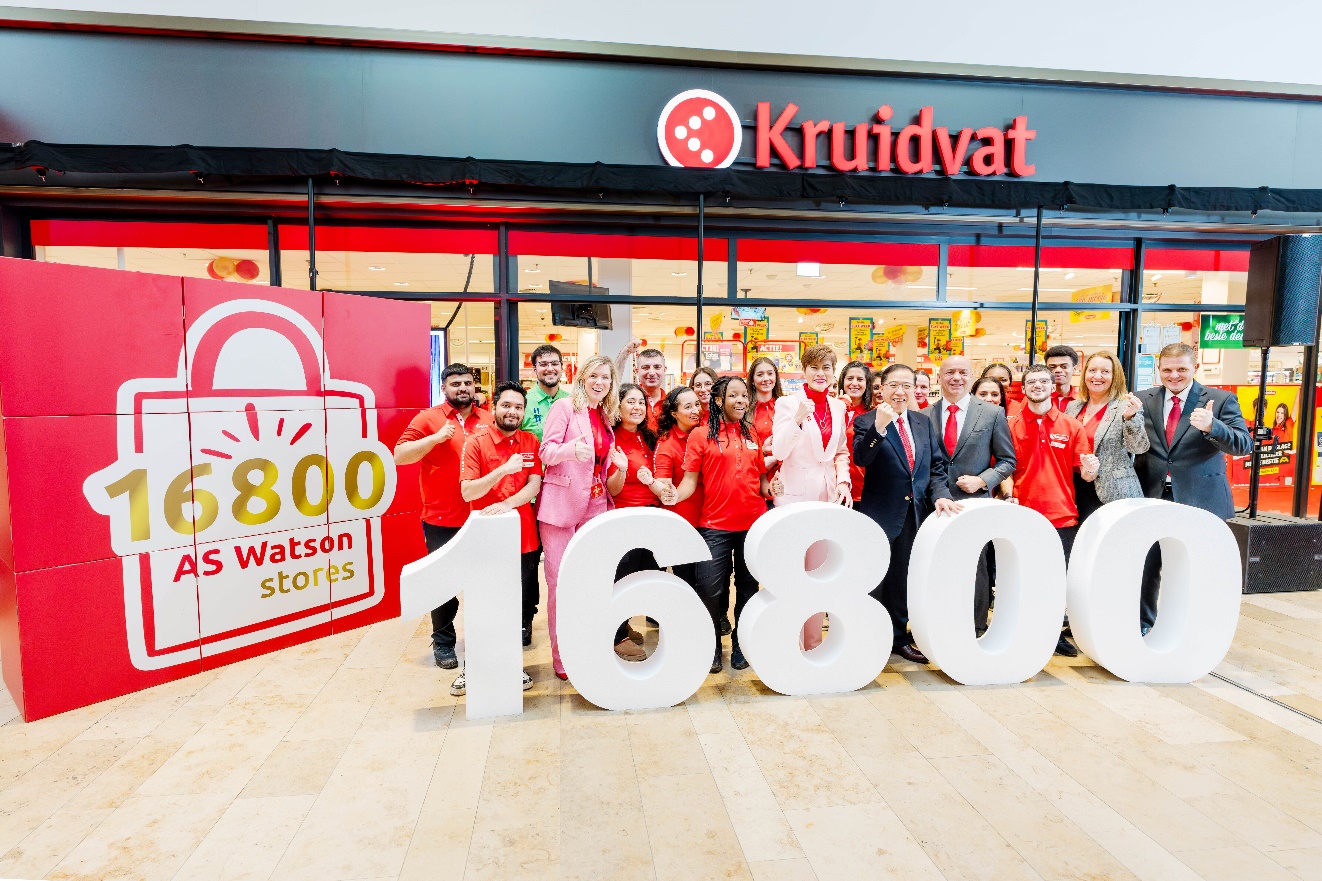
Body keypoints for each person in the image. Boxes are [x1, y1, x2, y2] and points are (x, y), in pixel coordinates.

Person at [1133, 343, 1251, 635]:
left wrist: (1213, 427)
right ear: (1159, 369)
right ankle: (1143, 625)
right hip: (1153, 496)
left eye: (1181, 369)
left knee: (1198, 567)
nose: (1174, 376)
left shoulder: (1221, 400)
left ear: (1195, 368)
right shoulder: (1142, 399)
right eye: (1167, 370)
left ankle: (1198, 629)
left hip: (1201, 499)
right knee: (1147, 565)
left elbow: (1243, 445)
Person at [853, 363, 963, 664]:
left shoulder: (922, 422)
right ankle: (870, 637)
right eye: (893, 385)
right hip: (881, 512)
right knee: (875, 580)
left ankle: (899, 638)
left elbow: (935, 466)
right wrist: (879, 427)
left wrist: (940, 494)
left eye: (906, 386)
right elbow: (862, 458)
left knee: (902, 577)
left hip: (915, 512)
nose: (900, 392)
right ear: (881, 388)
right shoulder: (867, 421)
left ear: (914, 389)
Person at [665, 375, 771, 674]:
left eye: (744, 395)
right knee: (709, 588)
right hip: (715, 525)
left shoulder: (751, 431)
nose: (741, 401)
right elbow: (689, 481)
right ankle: (711, 646)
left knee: (748, 587)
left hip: (753, 524)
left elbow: (761, 477)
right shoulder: (701, 435)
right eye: (734, 395)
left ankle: (741, 645)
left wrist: (770, 488)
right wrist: (674, 496)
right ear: (718, 400)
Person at [394, 363, 494, 670]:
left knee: (484, 582)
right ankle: (443, 642)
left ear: (474, 386)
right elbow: (400, 455)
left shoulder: (488, 418)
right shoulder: (429, 418)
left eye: (467, 383)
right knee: (443, 584)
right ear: (444, 388)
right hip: (442, 516)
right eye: (455, 384)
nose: (462, 388)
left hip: (482, 516)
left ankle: (485, 639)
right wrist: (435, 439)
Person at [455, 381, 542, 695]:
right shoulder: (476, 443)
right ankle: (473, 668)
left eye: (518, 407)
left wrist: (508, 504)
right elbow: (468, 491)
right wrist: (502, 470)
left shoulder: (530, 441)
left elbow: (534, 484)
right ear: (494, 408)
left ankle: (509, 665)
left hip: (523, 537)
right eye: (506, 405)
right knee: (482, 605)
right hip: (486, 539)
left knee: (514, 606)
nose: (512, 412)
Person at [1008, 363, 1100, 657]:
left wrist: (1091, 469)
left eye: (1043, 381)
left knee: (1056, 581)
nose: (1037, 386)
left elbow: (1085, 474)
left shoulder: (1072, 426)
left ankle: (1052, 633)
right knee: (1021, 577)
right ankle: (1021, 630)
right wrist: (1007, 494)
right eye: (1031, 382)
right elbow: (1004, 468)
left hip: (1061, 514)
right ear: (1024, 388)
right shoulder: (1009, 425)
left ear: (1053, 387)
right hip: (1021, 514)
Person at [537, 354, 620, 680]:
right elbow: (546, 452)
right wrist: (570, 450)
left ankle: (589, 647)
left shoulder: (604, 415)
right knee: (561, 585)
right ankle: (563, 657)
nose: (599, 382)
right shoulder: (565, 407)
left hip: (596, 505)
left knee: (592, 582)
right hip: (561, 508)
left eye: (606, 377)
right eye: (594, 375)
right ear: (582, 377)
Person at [927, 355, 1016, 635]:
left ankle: (975, 627)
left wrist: (982, 480)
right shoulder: (924, 415)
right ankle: (939, 624)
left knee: (976, 566)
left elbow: (1008, 461)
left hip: (975, 504)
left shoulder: (991, 413)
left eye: (963, 372)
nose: (956, 377)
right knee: (937, 565)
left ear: (971, 376)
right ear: (939, 377)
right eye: (949, 372)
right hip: (934, 504)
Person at [772, 345, 853, 650]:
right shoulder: (787, 403)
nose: (821, 374)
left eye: (826, 368)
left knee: (818, 576)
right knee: (792, 576)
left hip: (826, 499)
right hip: (793, 500)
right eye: (814, 368)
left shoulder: (838, 407)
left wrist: (843, 482)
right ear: (804, 371)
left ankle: (813, 643)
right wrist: (797, 420)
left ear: (833, 373)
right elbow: (778, 450)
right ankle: (788, 645)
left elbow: (840, 451)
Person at [605, 383, 669, 662]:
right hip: (624, 519)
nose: (637, 407)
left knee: (649, 577)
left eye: (641, 402)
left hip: (653, 517)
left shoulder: (650, 437)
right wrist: (621, 469)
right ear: (618, 406)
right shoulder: (611, 438)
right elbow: (613, 489)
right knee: (622, 578)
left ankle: (627, 624)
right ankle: (617, 635)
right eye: (630, 402)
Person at [1064, 352, 1149, 521]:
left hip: (1113, 489)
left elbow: (1138, 448)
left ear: (1115, 376)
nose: (1097, 376)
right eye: (1092, 370)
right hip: (1075, 486)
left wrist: (1130, 419)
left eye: (1105, 371)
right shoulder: (1073, 407)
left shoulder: (1126, 406)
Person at [651, 386, 705, 594]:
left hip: (707, 520)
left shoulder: (706, 433)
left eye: (697, 405)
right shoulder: (667, 444)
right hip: (681, 523)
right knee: (687, 583)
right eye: (688, 406)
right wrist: (668, 492)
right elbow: (663, 484)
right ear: (674, 413)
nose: (695, 410)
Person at [837, 360, 871, 504]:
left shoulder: (873, 414)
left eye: (860, 379)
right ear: (842, 381)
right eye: (850, 378)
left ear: (867, 383)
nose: (854, 383)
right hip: (833, 485)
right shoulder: (831, 409)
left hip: (862, 488)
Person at [521, 344, 570, 441]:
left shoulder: (571, 401)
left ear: (562, 368)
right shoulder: (523, 401)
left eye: (555, 364)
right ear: (535, 370)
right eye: (543, 364)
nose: (550, 369)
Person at [616, 340, 667, 429]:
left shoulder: (672, 403)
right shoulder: (627, 399)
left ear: (664, 370)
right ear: (637, 371)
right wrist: (624, 353)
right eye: (646, 368)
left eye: (657, 367)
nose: (652, 373)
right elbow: (612, 385)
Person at [1044, 345, 1080, 411]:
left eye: (1064, 367)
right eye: (1052, 367)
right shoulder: (1038, 398)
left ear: (1074, 369)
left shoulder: (1082, 400)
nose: (1058, 370)